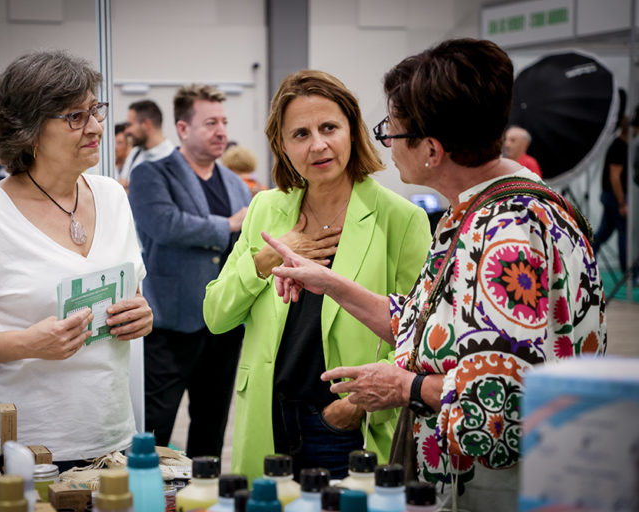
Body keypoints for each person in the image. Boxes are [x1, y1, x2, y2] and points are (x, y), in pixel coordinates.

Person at [262, 39, 606, 510]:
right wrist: (329, 283)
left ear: (431, 149)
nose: (386, 142)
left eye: (392, 130)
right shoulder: (493, 208)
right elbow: (426, 328)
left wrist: (404, 387)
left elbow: (498, 414)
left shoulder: (504, 235)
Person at [0, 50, 153, 470]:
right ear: (27, 131)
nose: (96, 126)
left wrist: (140, 314)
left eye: (95, 110)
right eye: (75, 117)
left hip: (112, 439)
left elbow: (131, 292)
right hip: (22, 451)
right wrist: (28, 344)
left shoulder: (113, 197)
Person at [203, 70, 432, 482]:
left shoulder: (400, 219)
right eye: (301, 134)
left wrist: (353, 406)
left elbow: (418, 335)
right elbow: (217, 316)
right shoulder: (265, 209)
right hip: (268, 413)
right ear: (282, 145)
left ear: (352, 131)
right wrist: (264, 260)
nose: (318, 145)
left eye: (329, 128)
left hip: (345, 424)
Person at [129, 84, 251, 458]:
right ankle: (148, 487)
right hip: (170, 323)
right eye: (210, 123)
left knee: (211, 424)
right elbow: (166, 224)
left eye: (224, 122)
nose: (221, 131)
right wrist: (228, 225)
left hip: (223, 325)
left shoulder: (235, 184)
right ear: (183, 128)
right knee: (155, 425)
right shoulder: (152, 175)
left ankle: (205, 487)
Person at [593, 115, 629, 272]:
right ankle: (628, 272)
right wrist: (622, 202)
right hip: (614, 197)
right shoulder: (619, 146)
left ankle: (587, 260)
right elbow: (614, 176)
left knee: (604, 232)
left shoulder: (623, 145)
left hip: (612, 196)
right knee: (624, 231)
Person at [118, 100, 175, 191]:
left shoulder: (172, 157)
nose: (126, 131)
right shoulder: (135, 153)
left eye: (129, 125)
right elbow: (121, 187)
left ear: (147, 124)